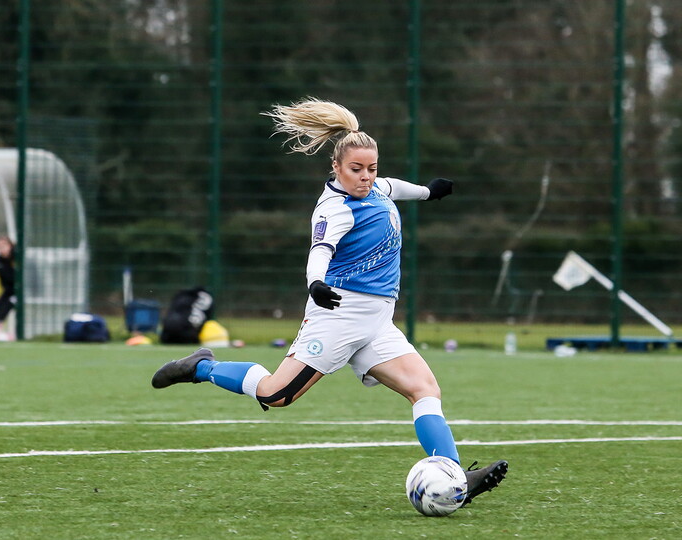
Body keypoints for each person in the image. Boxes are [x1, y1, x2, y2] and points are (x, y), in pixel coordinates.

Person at [151, 98, 508, 507]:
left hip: (377, 321)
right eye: (357, 170)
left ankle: (454, 473)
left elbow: (396, 187)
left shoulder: (376, 188)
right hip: (338, 314)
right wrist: (315, 283)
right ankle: (202, 367)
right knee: (275, 395)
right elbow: (320, 250)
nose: (366, 177)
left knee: (425, 389)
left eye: (371, 168)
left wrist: (428, 192)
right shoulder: (335, 209)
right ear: (336, 167)